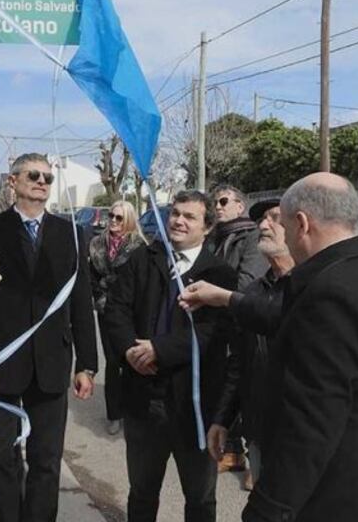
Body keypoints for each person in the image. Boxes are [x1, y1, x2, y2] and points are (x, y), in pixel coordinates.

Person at [237, 173, 358, 522]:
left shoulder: (329, 293)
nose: (285, 236)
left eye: (285, 225)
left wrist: (267, 510)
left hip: (340, 497)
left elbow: (312, 423)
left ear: (302, 223)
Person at [0, 152, 98, 522]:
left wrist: (87, 364)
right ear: (13, 182)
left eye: (48, 178)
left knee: (46, 460)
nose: (41, 182)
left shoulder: (71, 232)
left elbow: (80, 298)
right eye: (33, 175)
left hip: (51, 361)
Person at [105, 190, 238, 522]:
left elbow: (212, 333)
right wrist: (130, 352)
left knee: (200, 498)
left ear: (207, 227)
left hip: (193, 407)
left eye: (189, 216)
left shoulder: (219, 274)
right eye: (175, 213)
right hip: (143, 400)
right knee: (142, 492)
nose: (178, 220)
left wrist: (158, 351)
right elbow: (116, 310)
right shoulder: (143, 259)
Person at [182, 198, 292, 492]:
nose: (264, 226)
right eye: (262, 220)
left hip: (297, 435)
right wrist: (223, 420)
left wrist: (224, 297)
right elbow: (240, 363)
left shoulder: (313, 289)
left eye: (275, 218)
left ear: (301, 227)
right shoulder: (256, 291)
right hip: (258, 433)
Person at [206, 184, 268, 474]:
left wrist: (212, 293)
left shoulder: (250, 237)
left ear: (240, 206)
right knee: (223, 384)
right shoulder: (216, 237)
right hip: (218, 323)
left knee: (244, 387)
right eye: (214, 202)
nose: (217, 206)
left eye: (223, 201)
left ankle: (253, 457)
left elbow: (248, 283)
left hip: (241, 321)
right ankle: (231, 451)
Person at [89, 199, 146, 436]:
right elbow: (92, 279)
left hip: (132, 312)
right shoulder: (95, 244)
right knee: (113, 362)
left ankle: (136, 411)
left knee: (133, 360)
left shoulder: (140, 246)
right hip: (105, 310)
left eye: (119, 217)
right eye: (111, 216)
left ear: (129, 220)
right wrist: (101, 294)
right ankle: (114, 414)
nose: (113, 220)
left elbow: (140, 282)